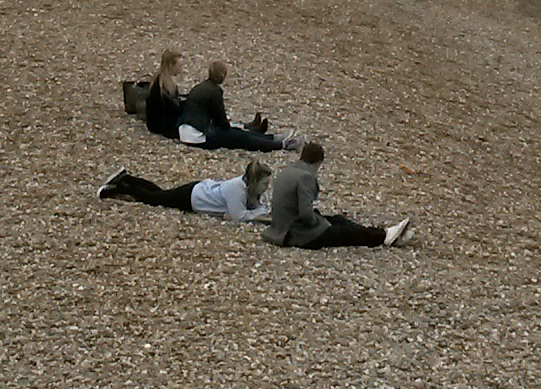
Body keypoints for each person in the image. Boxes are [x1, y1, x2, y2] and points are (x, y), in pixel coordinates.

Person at [263, 142, 409, 249]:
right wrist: (320, 224)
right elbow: (306, 215)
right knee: (344, 232)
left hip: (281, 229)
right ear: (319, 162)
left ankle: (384, 235)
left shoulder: (287, 171)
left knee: (338, 220)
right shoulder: (305, 177)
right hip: (298, 235)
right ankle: (385, 236)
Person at [97, 159, 272, 220]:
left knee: (160, 194)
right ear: (254, 181)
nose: (266, 188)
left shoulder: (248, 189)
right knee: (154, 199)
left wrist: (260, 210)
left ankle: (127, 179)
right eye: (264, 184)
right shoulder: (237, 189)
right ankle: (116, 188)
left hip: (199, 191)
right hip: (194, 197)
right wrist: (260, 213)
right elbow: (239, 217)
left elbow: (254, 209)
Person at [175, 62, 289, 151]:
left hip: (187, 131)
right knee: (240, 138)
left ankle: (265, 135)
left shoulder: (201, 86)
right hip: (198, 137)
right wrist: (231, 128)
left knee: (234, 132)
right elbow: (221, 121)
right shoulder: (215, 91)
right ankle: (277, 143)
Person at [139, 50, 187, 137]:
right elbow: (173, 108)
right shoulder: (164, 84)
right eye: (180, 66)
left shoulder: (160, 78)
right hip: (160, 125)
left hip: (156, 122)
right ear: (171, 66)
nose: (182, 69)